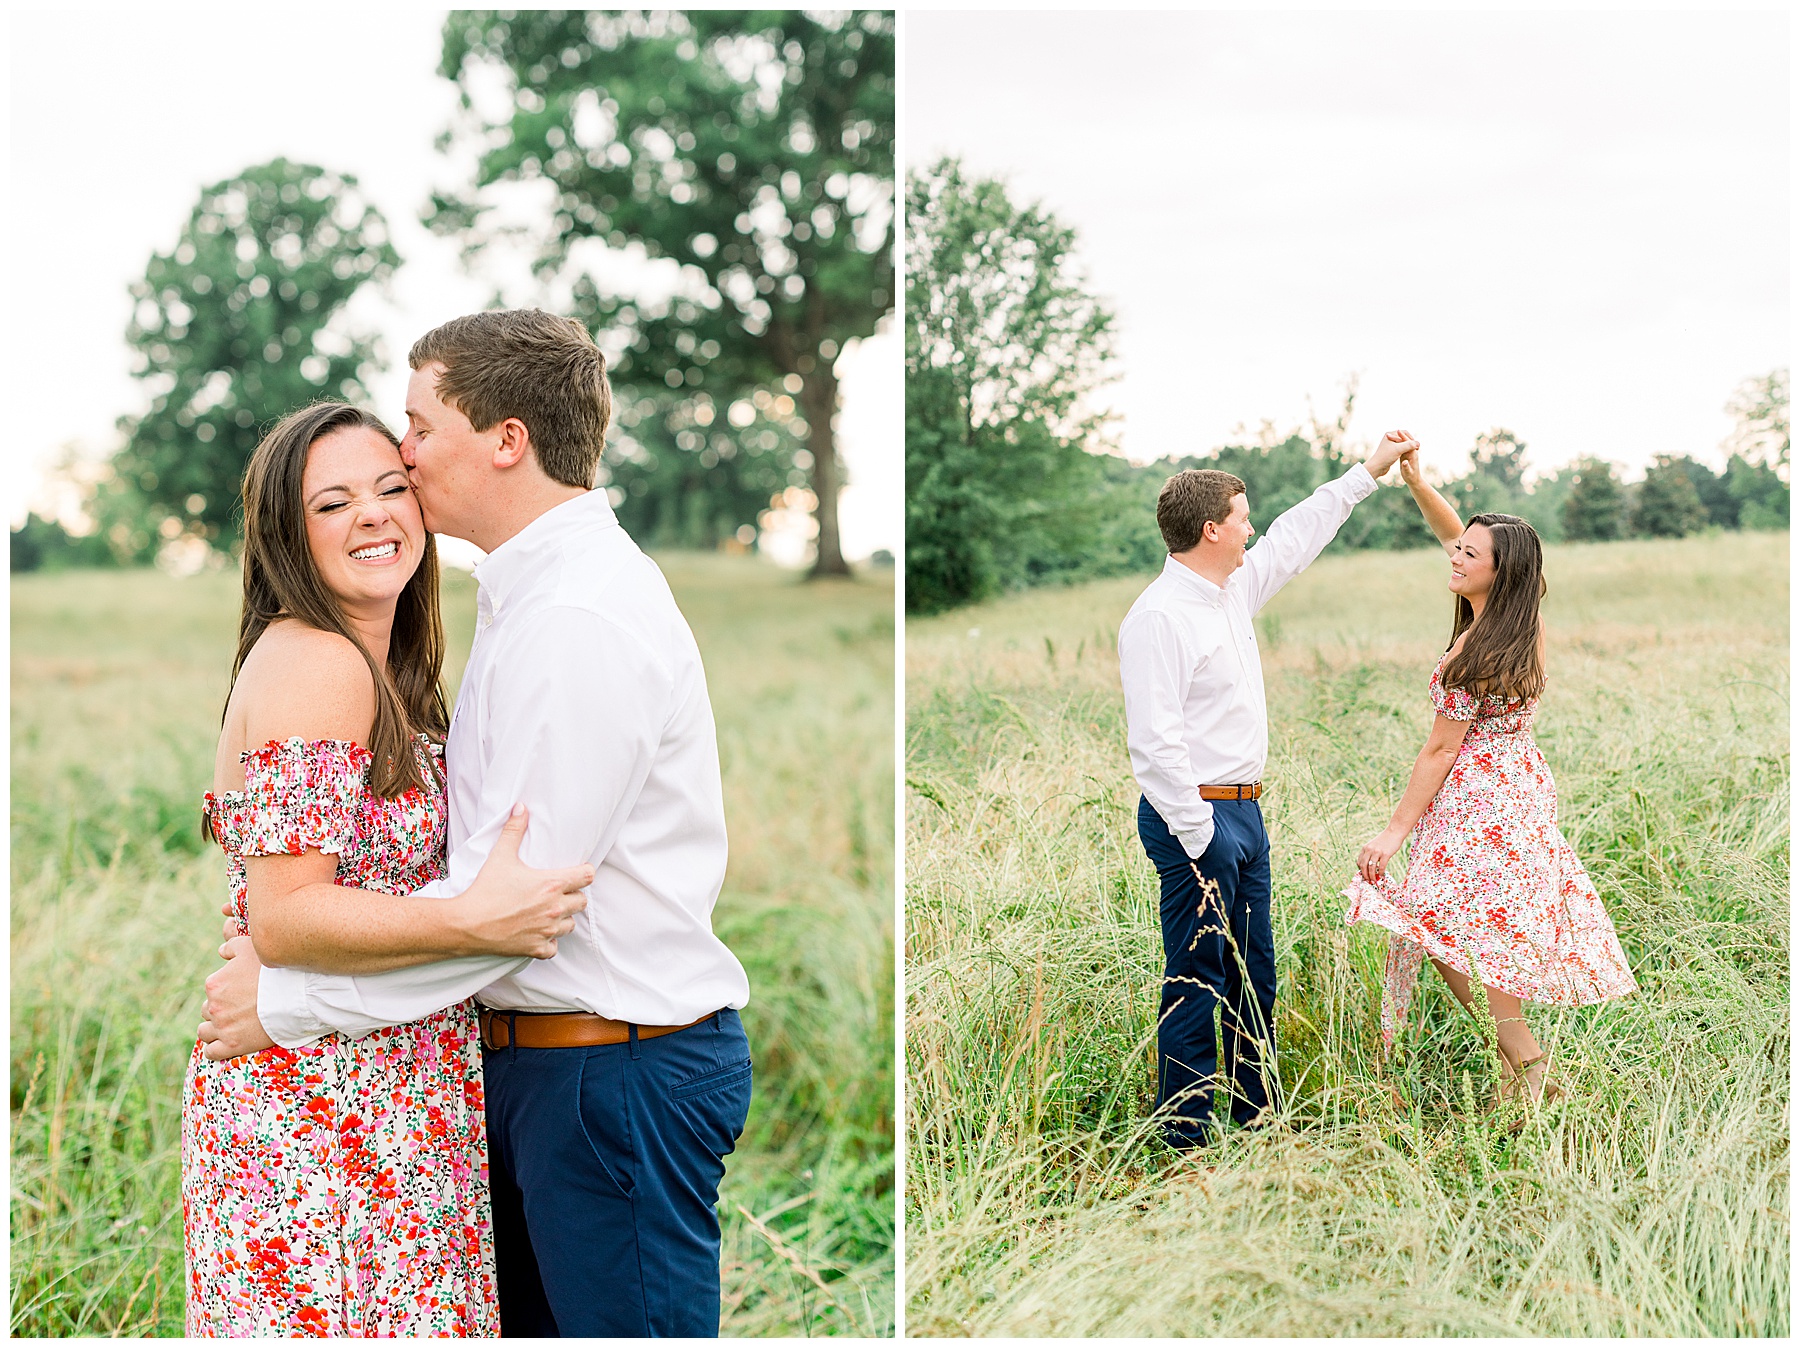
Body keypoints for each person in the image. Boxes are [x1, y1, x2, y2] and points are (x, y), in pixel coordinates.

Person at [196, 310, 754, 1337]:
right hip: (455, 1089)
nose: (405, 460)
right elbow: (476, 907)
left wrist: (290, 1001)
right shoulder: (506, 601)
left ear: (506, 439)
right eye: (334, 498)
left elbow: (518, 910)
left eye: (416, 431)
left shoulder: (573, 615)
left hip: (605, 1072)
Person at [182, 400, 596, 1336]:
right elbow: (286, 916)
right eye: (332, 504)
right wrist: (476, 921)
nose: (371, 514)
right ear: (287, 535)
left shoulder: (383, 668)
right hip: (323, 1111)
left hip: (393, 1092)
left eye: (389, 488)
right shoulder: (319, 664)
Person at [1118, 429, 1415, 1152]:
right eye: (1242, 518)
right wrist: (1202, 836)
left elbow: (1294, 537)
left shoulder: (1230, 592)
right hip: (1195, 818)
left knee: (1255, 975)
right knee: (1198, 976)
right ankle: (1184, 1137)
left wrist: (1368, 472)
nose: (1252, 529)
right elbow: (1154, 744)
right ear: (1211, 529)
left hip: (1246, 812)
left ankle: (1259, 1119)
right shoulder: (1159, 616)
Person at [1343, 445, 1637, 1102]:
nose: (1455, 557)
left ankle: (1528, 1062)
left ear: (1499, 574)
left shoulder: (1472, 655)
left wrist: (1392, 834)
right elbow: (1458, 535)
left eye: (1470, 555)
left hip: (1475, 803)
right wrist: (1419, 484)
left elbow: (1439, 752)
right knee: (1483, 931)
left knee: (1439, 928)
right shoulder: (1522, 621)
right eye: (1459, 548)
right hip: (1519, 790)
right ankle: (1517, 1074)